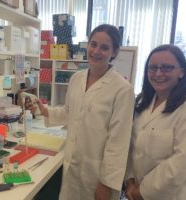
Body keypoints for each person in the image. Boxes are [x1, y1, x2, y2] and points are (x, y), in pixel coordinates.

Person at [35, 24, 135, 200]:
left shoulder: (122, 89)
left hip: (97, 175)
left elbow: (118, 142)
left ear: (115, 52)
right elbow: (69, 112)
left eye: (104, 47)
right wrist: (46, 111)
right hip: (72, 166)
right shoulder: (76, 79)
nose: (96, 51)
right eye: (93, 44)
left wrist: (106, 183)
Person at [124, 44, 186, 200]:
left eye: (167, 68)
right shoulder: (142, 103)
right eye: (152, 68)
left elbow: (181, 163)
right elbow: (130, 148)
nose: (158, 73)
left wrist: (143, 191)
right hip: (135, 190)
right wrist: (130, 180)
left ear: (181, 72)